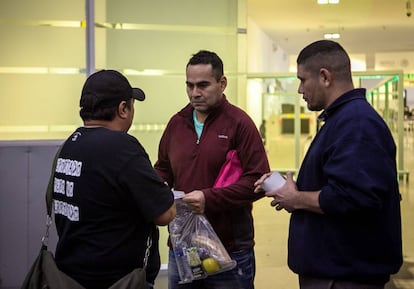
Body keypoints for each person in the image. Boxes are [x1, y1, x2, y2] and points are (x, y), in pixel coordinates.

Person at [255, 40, 403, 289]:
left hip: (344, 278)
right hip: (336, 271)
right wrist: (290, 188)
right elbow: (341, 181)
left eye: (302, 80)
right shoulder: (343, 120)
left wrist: (296, 198)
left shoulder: (356, 124)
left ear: (325, 76)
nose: (300, 90)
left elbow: (354, 196)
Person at [154, 50, 270, 289]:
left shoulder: (240, 124)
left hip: (230, 250)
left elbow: (258, 181)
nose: (194, 93)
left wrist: (209, 198)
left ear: (222, 83)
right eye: (189, 85)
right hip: (183, 247)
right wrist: (152, 189)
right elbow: (164, 169)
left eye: (203, 85)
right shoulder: (177, 124)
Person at [52, 69, 176, 289]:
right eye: (131, 105)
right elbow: (165, 213)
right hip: (118, 281)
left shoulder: (70, 145)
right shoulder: (121, 147)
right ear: (122, 109)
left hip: (70, 277)